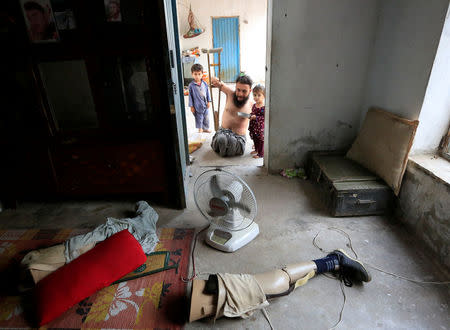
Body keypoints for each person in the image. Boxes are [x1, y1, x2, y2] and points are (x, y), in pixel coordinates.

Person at [189, 249, 371, 322]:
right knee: (275, 285)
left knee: (278, 281)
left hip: (208, 295)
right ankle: (333, 262)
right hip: (202, 305)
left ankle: (333, 260)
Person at [210, 74, 253, 157]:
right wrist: (214, 79)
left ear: (250, 91)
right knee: (222, 139)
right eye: (238, 90)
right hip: (223, 132)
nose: (240, 94)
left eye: (244, 91)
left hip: (238, 138)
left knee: (232, 141)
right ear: (235, 87)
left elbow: (259, 120)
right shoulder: (230, 93)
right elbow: (215, 81)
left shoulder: (251, 105)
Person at [188, 64, 211, 133]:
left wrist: (209, 101)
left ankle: (206, 128)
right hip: (197, 105)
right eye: (195, 74)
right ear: (192, 74)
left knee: (206, 117)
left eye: (199, 74)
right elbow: (190, 97)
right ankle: (200, 128)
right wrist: (191, 106)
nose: (197, 76)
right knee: (199, 117)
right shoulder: (191, 85)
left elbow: (207, 93)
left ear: (202, 74)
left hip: (205, 104)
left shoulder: (205, 83)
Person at [249, 84, 265, 159]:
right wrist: (250, 115)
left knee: (260, 140)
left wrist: (256, 117)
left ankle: (261, 153)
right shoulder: (254, 105)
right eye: (254, 95)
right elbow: (253, 112)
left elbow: (264, 117)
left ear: (264, 96)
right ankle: (256, 149)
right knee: (255, 138)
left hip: (260, 126)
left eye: (259, 95)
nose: (256, 97)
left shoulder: (264, 107)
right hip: (254, 125)